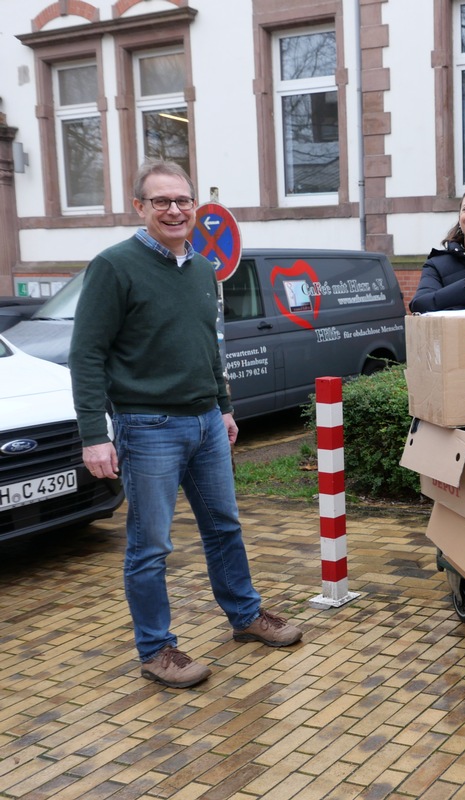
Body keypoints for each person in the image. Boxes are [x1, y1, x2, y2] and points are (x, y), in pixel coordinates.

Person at [69, 161, 302, 690]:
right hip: (146, 426)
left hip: (204, 423)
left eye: (182, 201)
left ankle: (245, 617)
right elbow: (86, 355)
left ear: (194, 206)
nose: (174, 210)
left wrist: (223, 405)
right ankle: (156, 650)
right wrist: (93, 434)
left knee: (225, 527)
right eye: (161, 202)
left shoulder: (201, 269)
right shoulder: (113, 266)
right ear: (140, 208)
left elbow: (208, 346)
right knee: (150, 546)